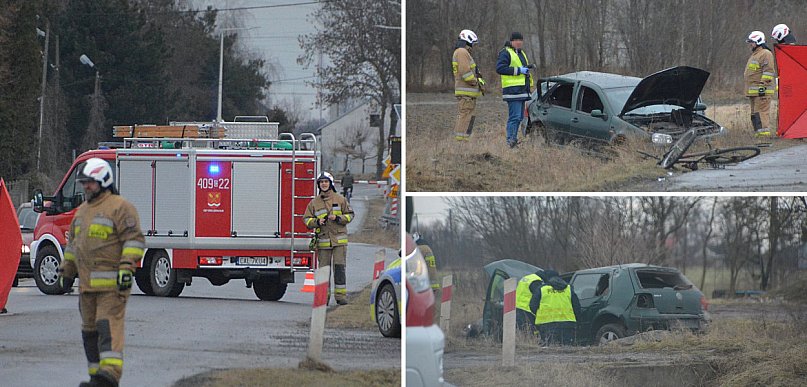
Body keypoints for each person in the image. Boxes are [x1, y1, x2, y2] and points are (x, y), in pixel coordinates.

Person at [58, 158, 145, 387]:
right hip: (86, 288)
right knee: (89, 333)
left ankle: (110, 376)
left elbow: (134, 240)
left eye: (91, 183)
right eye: (84, 182)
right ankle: (96, 376)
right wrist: (67, 272)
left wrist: (127, 268)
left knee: (107, 327)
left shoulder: (119, 207)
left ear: (104, 181)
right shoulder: (81, 212)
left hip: (111, 288)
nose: (86, 187)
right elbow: (73, 245)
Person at [303, 172, 353, 305]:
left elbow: (350, 215)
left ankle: (340, 296)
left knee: (339, 268)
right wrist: (317, 222)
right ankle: (323, 298)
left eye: (326, 182)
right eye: (321, 182)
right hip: (323, 241)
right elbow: (306, 220)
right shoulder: (314, 203)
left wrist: (338, 218)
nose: (324, 184)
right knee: (324, 271)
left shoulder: (340, 199)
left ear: (330, 183)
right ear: (318, 185)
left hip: (339, 241)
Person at [496, 32, 533, 148]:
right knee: (515, 117)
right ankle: (510, 142)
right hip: (512, 91)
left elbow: (523, 69)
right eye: (516, 40)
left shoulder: (521, 53)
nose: (519, 42)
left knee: (520, 118)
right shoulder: (505, 52)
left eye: (520, 40)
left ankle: (513, 140)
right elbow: (500, 68)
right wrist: (519, 70)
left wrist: (527, 70)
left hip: (522, 91)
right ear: (511, 41)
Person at [530, 270, 580, 346]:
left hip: (547, 325)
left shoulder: (541, 289)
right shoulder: (568, 288)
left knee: (549, 351)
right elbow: (576, 307)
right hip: (568, 324)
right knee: (568, 350)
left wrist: (539, 315)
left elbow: (533, 306)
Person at [452, 29, 484, 141]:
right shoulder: (462, 52)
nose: (473, 46)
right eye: (473, 43)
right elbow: (465, 73)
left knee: (468, 117)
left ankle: (464, 140)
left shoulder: (462, 52)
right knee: (465, 116)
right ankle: (460, 142)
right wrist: (476, 81)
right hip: (466, 93)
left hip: (468, 94)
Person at [744, 31, 776, 137]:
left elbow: (768, 72)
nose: (750, 44)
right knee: (755, 114)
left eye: (752, 42)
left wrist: (762, 87)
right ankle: (758, 134)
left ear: (758, 41)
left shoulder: (765, 54)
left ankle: (763, 136)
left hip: (762, 91)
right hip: (754, 92)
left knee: (761, 113)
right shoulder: (755, 55)